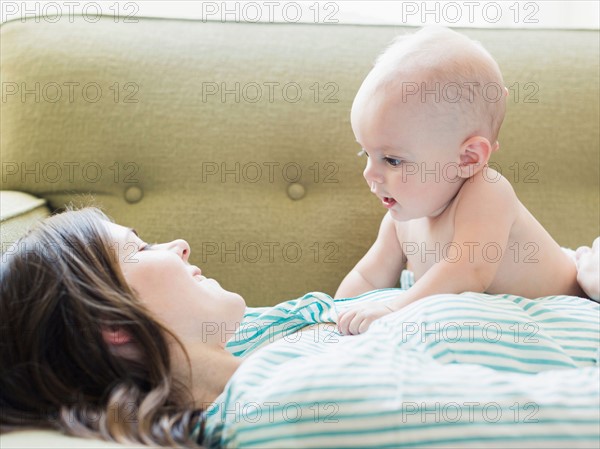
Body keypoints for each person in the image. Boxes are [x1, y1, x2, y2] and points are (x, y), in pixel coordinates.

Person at [1, 206, 598, 448]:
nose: (178, 244)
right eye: (139, 247)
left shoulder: (255, 340)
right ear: (114, 326)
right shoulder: (295, 404)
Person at [335, 26, 587, 335]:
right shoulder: (401, 221)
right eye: (366, 154)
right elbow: (368, 278)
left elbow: (469, 269)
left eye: (392, 160)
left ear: (467, 159)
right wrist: (338, 315)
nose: (369, 174)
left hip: (571, 297)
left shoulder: (487, 192)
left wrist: (393, 309)